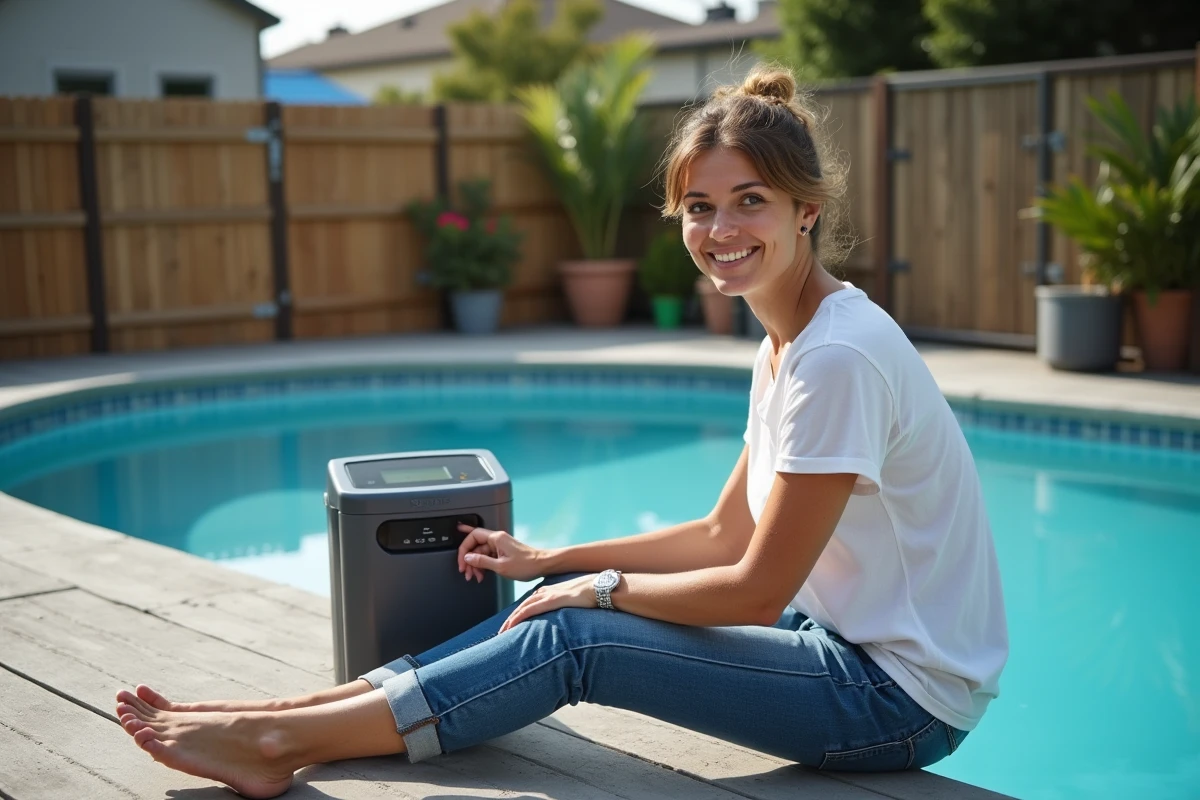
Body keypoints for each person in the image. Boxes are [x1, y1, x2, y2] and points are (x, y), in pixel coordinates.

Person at [114, 64, 1008, 799]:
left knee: (578, 636)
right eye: (699, 206)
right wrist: (552, 564)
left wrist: (601, 590)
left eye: (750, 202)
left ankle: (277, 742)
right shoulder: (788, 345)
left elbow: (751, 589)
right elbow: (721, 533)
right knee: (553, 607)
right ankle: (300, 712)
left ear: (805, 210)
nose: (719, 229)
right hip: (835, 648)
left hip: (896, 701)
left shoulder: (838, 358)